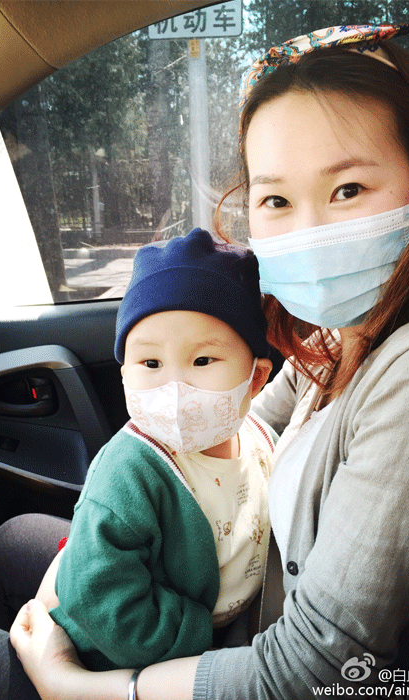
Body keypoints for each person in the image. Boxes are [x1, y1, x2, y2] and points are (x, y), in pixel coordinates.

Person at [0, 22, 409, 700]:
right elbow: (239, 427)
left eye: (348, 189)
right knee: (17, 541)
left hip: (262, 663)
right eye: (276, 199)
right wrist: (92, 537)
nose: (308, 230)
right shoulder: (339, 339)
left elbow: (311, 672)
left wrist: (82, 687)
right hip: (234, 604)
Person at [43, 228, 277, 672]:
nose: (174, 387)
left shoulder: (263, 443)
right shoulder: (128, 471)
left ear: (257, 378)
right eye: (150, 363)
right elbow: (98, 594)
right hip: (116, 659)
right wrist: (198, 641)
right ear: (125, 375)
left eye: (203, 360)